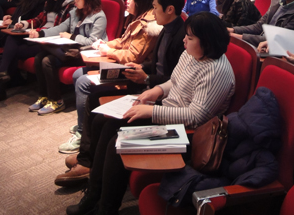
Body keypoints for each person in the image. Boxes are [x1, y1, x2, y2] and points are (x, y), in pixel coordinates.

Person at [63, 12, 235, 215]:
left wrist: (152, 111)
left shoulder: (216, 71)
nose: (184, 40)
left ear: (207, 42)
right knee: (106, 123)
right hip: (169, 114)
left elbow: (196, 117)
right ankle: (93, 195)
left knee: (118, 143)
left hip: (187, 134)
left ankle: (106, 209)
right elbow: (175, 81)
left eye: (189, 38)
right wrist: (156, 91)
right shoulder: (192, 54)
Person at [56, 0, 186, 167]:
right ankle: (86, 156)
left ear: (170, 9)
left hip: (159, 95)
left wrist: (146, 78)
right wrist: (140, 67)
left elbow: (177, 80)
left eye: (155, 7)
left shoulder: (183, 37)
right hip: (147, 84)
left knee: (104, 120)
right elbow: (157, 64)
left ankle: (87, 162)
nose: (153, 13)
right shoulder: (165, 28)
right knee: (93, 98)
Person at [59, 0, 159, 152]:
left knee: (83, 81)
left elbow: (133, 57)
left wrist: (108, 51)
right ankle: (84, 123)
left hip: (131, 72)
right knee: (77, 74)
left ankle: (83, 132)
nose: (127, 1)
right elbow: (123, 41)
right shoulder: (137, 18)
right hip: (123, 65)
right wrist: (106, 44)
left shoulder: (147, 25)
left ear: (140, 2)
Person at [0, 0, 107, 115]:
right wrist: (40, 34)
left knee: (47, 61)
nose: (75, 1)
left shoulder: (99, 17)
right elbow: (59, 28)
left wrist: (71, 36)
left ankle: (57, 101)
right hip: (71, 50)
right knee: (39, 57)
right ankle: (43, 97)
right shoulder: (75, 13)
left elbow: (93, 42)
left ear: (88, 0)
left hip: (86, 53)